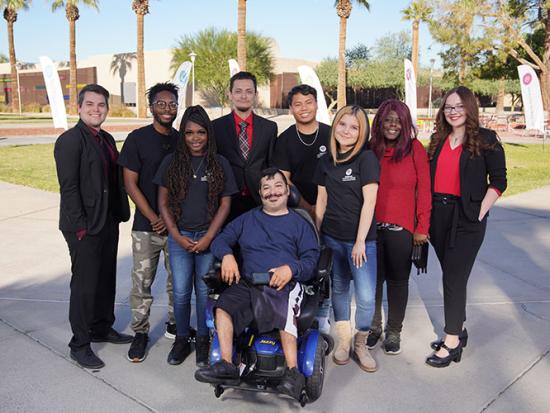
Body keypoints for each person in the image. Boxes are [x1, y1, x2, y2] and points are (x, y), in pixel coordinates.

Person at [195, 168, 320, 400]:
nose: (273, 192)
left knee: (284, 307)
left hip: (284, 283)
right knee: (222, 306)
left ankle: (293, 374)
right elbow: (221, 239)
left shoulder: (300, 222)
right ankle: (227, 364)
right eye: (266, 188)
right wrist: (228, 256)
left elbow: (311, 260)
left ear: (287, 190)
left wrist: (290, 268)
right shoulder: (246, 220)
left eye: (278, 186)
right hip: (250, 282)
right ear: (260, 193)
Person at [426, 86, 506, 368]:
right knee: (451, 274)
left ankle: (451, 341)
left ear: (470, 107)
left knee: (454, 278)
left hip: (467, 217)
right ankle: (458, 327)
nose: (453, 111)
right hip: (438, 215)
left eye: (459, 106)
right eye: (448, 107)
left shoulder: (486, 139)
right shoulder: (438, 139)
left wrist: (480, 212)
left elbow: (499, 180)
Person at [54, 84, 131, 369]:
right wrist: (81, 227)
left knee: (105, 278)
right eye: (90, 105)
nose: (96, 110)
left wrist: (116, 215)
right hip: (83, 226)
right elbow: (69, 188)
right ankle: (80, 343)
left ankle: (101, 326)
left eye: (101, 105)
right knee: (85, 285)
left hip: (108, 220)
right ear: (79, 107)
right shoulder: (71, 140)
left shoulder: (107, 139)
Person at [155, 105, 238, 367]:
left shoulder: (219, 162)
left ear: (208, 134)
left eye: (200, 132)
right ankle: (182, 338)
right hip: (179, 238)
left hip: (207, 237)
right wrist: (176, 236)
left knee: (203, 292)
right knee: (180, 292)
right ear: (183, 134)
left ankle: (203, 338)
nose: (195, 137)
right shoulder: (172, 162)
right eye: (189, 132)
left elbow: (225, 204)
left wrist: (209, 238)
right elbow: (163, 203)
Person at [314, 105, 380, 372]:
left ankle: (360, 343)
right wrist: (317, 237)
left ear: (362, 132)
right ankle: (343, 341)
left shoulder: (366, 159)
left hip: (361, 242)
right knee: (339, 289)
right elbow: (321, 200)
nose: (347, 131)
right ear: (335, 125)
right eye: (343, 124)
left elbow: (370, 202)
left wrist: (361, 240)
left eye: (354, 127)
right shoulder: (326, 161)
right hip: (332, 238)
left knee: (365, 297)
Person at [118, 82, 180, 363]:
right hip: (146, 227)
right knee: (142, 283)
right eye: (161, 103)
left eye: (172, 104)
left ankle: (176, 327)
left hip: (177, 227)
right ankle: (140, 333)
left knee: (176, 282)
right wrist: (155, 217)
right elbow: (130, 184)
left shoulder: (183, 139)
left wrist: (170, 219)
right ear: (151, 106)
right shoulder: (137, 139)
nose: (167, 109)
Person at [367, 99, 431, 355]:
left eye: (398, 121)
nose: (392, 125)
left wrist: (422, 227)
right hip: (371, 228)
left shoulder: (415, 149)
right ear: (379, 122)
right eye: (387, 120)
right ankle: (373, 326)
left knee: (397, 281)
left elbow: (424, 190)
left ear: (405, 124)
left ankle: (394, 330)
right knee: (372, 281)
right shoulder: (370, 149)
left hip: (402, 229)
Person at [272, 84, 332, 334]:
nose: (304, 108)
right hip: (299, 212)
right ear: (291, 108)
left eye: (308, 102)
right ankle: (297, 314)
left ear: (317, 104)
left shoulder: (332, 134)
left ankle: (324, 316)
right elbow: (284, 180)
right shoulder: (285, 140)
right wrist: (309, 210)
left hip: (333, 209)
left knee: (329, 268)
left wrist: (322, 210)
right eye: (298, 104)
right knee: (305, 264)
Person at [213, 71, 278, 221]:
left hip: (259, 199)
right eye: (238, 91)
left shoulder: (269, 128)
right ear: (230, 94)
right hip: (226, 201)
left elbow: (270, 164)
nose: (244, 96)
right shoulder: (216, 127)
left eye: (249, 91)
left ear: (255, 95)